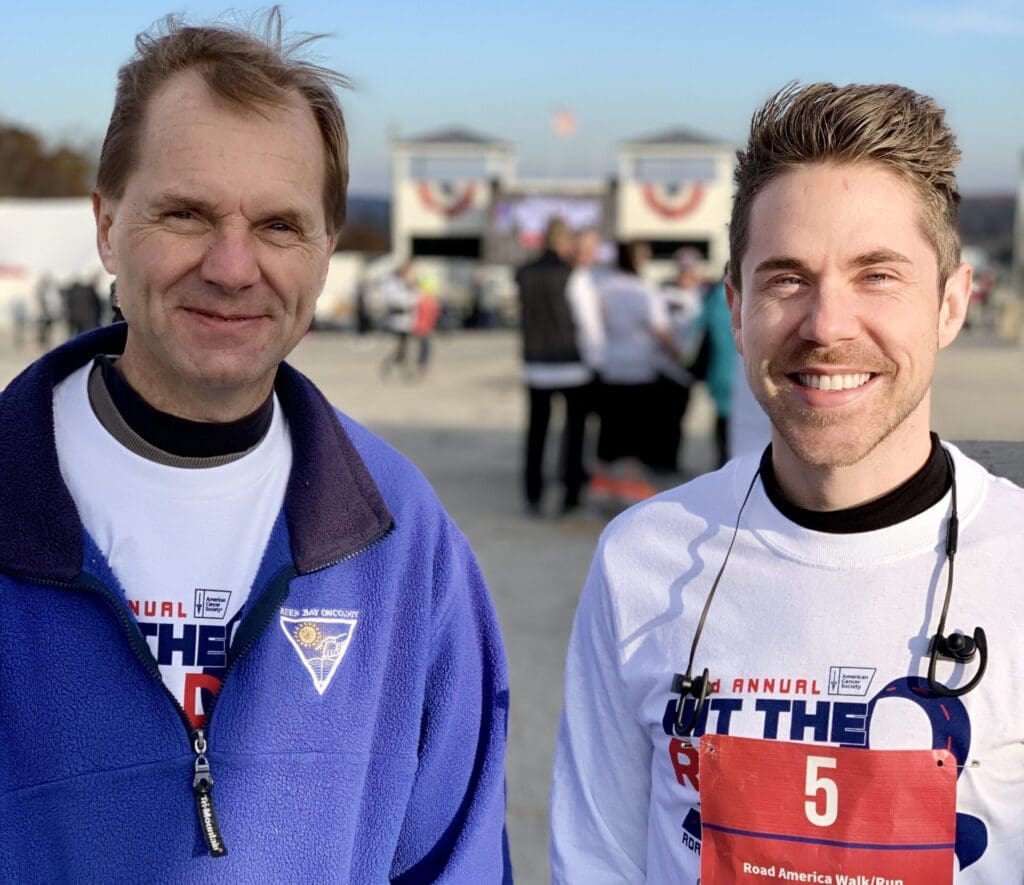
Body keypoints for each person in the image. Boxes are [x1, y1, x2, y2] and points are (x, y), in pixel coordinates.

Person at [0, 11, 510, 882]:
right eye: (187, 213)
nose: (234, 268)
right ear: (106, 225)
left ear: (323, 253)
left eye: (279, 225)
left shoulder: (400, 535)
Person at [551, 82, 1024, 882]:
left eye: (877, 275)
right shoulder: (643, 558)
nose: (827, 326)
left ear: (950, 304)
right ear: (734, 307)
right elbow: (595, 860)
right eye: (786, 279)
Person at [590, 241, 678, 505]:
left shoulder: (602, 288)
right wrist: (677, 353)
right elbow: (660, 329)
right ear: (638, 260)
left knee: (609, 425)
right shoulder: (645, 291)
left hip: (610, 365)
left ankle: (602, 485)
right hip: (640, 367)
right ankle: (629, 486)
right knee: (636, 427)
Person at [516, 218, 593, 516]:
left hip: (535, 364)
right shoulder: (573, 275)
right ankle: (570, 495)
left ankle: (533, 494)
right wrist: (594, 358)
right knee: (573, 433)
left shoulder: (522, 273)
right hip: (571, 364)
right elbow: (586, 322)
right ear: (564, 242)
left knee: (536, 432)